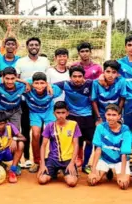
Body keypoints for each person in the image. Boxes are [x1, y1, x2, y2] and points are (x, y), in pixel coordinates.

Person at [16, 37, 50, 170]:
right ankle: (26, 158)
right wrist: (26, 83)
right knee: (25, 130)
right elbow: (16, 78)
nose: (34, 47)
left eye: (36, 44)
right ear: (27, 46)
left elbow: (47, 78)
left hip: (41, 101)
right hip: (26, 100)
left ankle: (40, 160)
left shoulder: (45, 61)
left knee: (39, 132)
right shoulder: (21, 61)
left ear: (39, 46)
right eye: (31, 45)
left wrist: (48, 85)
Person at [54, 65, 95, 172]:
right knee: (74, 141)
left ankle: (85, 165)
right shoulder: (65, 84)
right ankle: (71, 162)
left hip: (87, 116)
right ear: (70, 77)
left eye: (80, 76)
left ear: (84, 77)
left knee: (89, 142)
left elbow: (102, 81)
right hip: (72, 117)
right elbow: (49, 85)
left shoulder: (90, 84)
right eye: (74, 76)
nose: (77, 79)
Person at [23, 72, 62, 173]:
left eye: (42, 83)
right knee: (35, 134)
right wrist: (27, 83)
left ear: (46, 83)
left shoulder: (53, 89)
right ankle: (37, 162)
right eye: (36, 83)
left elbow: (65, 85)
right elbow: (13, 80)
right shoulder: (26, 87)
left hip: (49, 112)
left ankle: (55, 162)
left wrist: (49, 85)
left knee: (54, 135)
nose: (39, 86)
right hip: (35, 113)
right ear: (32, 83)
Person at [87, 104, 131, 189]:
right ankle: (106, 170)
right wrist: (93, 170)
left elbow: (124, 154)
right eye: (109, 114)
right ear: (105, 115)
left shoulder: (125, 130)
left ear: (119, 116)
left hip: (119, 161)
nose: (111, 117)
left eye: (114, 115)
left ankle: (112, 171)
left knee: (123, 184)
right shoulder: (100, 127)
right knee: (92, 181)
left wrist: (122, 174)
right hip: (104, 159)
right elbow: (98, 149)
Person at [37, 101, 81, 187]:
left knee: (71, 182)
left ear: (67, 113)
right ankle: (53, 172)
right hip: (53, 159)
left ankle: (68, 172)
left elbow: (76, 145)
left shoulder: (74, 125)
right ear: (54, 114)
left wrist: (72, 163)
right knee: (41, 180)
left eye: (63, 112)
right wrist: (42, 164)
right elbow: (43, 145)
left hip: (68, 160)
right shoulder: (50, 126)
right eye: (58, 113)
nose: (60, 115)